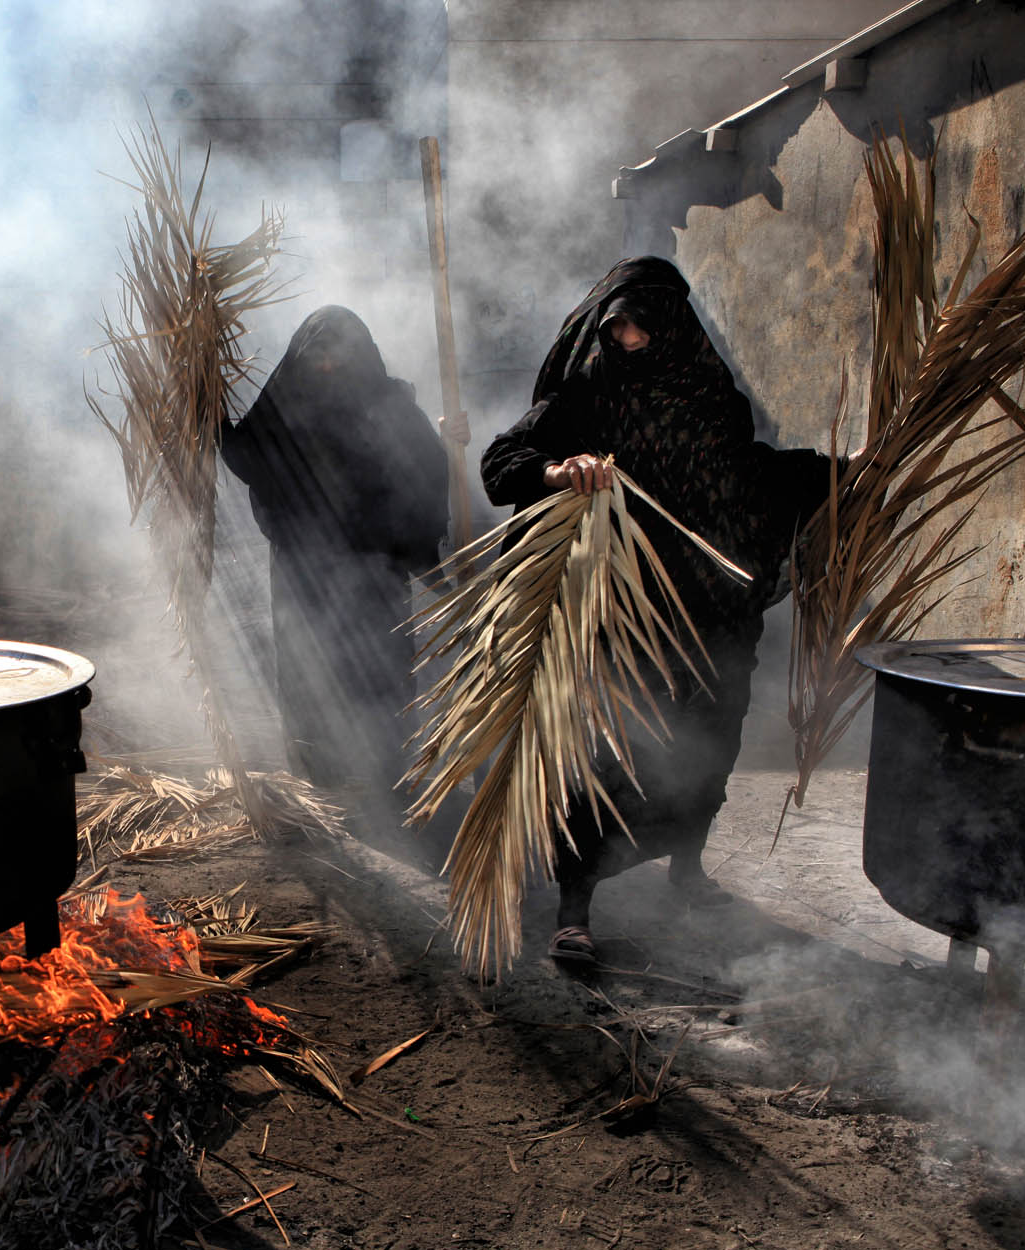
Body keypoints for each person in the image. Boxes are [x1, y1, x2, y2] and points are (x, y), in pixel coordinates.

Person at [481, 257, 839, 965]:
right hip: (623, 615)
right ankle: (576, 907)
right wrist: (559, 471)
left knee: (710, 745)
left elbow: (751, 477)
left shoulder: (712, 396)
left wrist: (839, 471)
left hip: (714, 614)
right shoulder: (588, 395)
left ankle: (687, 866)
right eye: (616, 326)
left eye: (642, 325)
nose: (629, 338)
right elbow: (502, 461)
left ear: (672, 326)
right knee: (608, 759)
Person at [220, 305, 455, 809]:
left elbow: (426, 472)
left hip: (376, 570)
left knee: (383, 673)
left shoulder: (390, 407)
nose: (327, 368)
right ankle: (321, 779)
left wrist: (448, 441)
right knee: (310, 674)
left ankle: (391, 776)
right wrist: (208, 406)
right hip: (305, 571)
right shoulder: (284, 403)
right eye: (318, 357)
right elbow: (248, 456)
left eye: (337, 357)